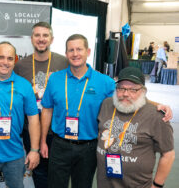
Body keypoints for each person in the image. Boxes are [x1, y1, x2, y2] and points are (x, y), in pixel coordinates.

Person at [40, 34, 173, 188]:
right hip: (59, 144)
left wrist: (158, 104)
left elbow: (128, 96)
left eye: (79, 49)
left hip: (88, 148)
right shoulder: (55, 79)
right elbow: (47, 110)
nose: (75, 54)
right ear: (66, 54)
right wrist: (43, 141)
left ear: (88, 52)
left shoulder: (105, 82)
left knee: (83, 185)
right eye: (71, 50)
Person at [0, 41, 40, 188]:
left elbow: (33, 119)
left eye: (10, 58)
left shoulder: (24, 85)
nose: (5, 62)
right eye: (1, 57)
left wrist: (35, 150)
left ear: (15, 60)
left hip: (15, 154)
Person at [96, 67, 175, 188]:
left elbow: (168, 154)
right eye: (121, 88)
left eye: (133, 90)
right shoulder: (106, 104)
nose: (125, 94)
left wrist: (157, 185)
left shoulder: (156, 117)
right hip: (104, 183)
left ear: (143, 91)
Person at [14, 21, 68, 188]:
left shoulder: (64, 63)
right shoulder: (20, 65)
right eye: (37, 35)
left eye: (45, 35)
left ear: (51, 39)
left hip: (58, 129)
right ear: (32, 39)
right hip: (31, 129)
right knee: (39, 172)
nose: (41, 39)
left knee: (59, 173)